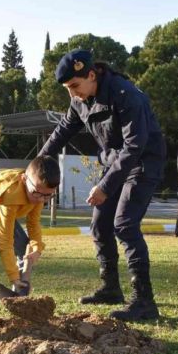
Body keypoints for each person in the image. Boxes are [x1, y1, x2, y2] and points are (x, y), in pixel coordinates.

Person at [38, 49, 166, 321]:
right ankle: (110, 288)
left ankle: (144, 301)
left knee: (124, 224)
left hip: (143, 162)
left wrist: (106, 186)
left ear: (92, 74)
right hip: (115, 163)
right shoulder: (79, 100)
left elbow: (134, 147)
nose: (72, 94)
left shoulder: (126, 95)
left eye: (75, 86)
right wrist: (36, 164)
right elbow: (62, 131)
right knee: (100, 225)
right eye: (67, 89)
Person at [0, 155, 60, 332]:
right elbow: (5, 242)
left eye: (48, 196)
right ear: (24, 179)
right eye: (37, 193)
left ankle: (19, 299)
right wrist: (13, 276)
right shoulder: (9, 192)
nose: (40, 200)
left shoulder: (39, 193)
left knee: (24, 246)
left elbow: (34, 224)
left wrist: (36, 248)